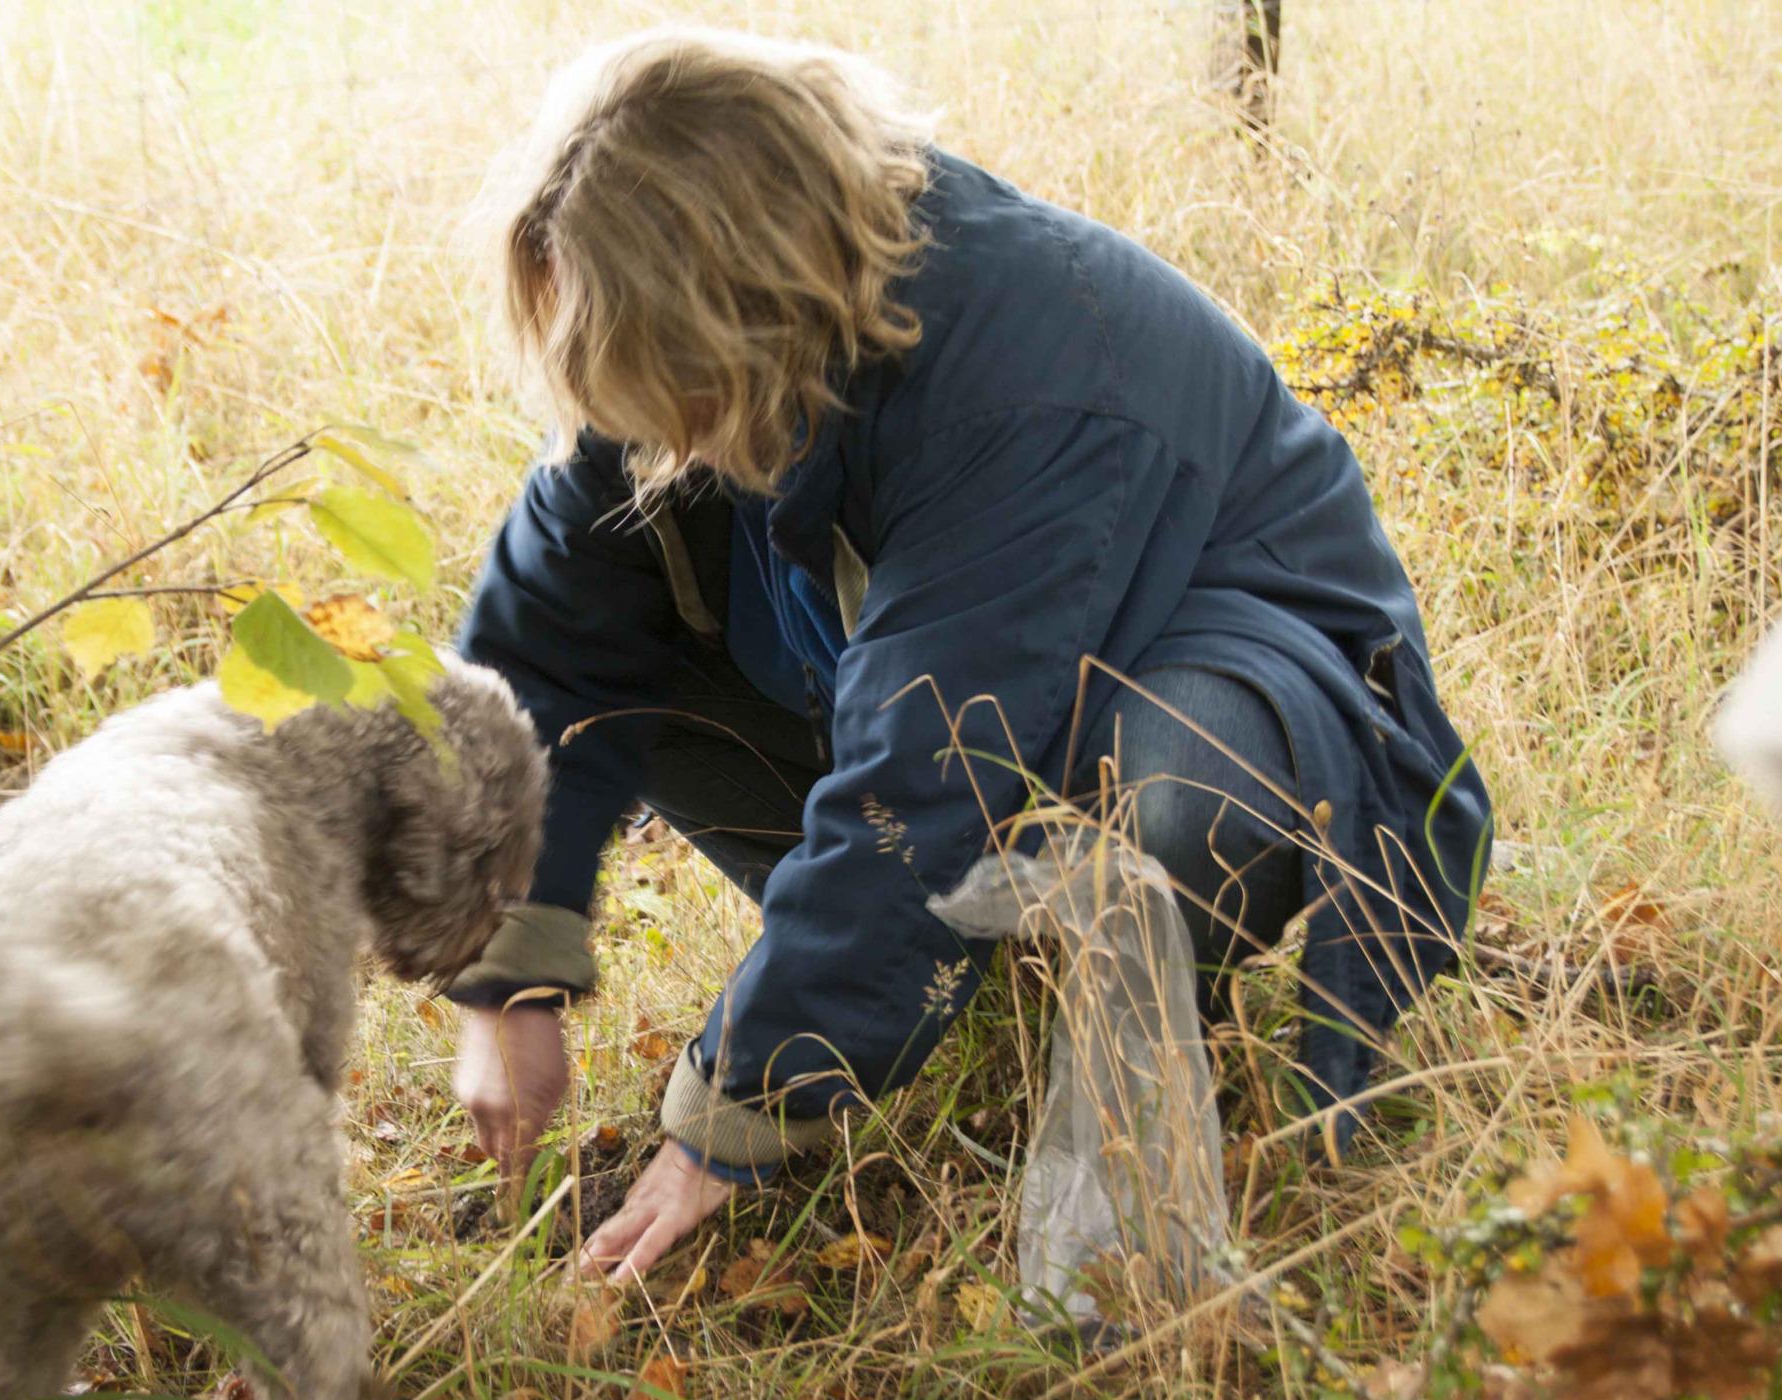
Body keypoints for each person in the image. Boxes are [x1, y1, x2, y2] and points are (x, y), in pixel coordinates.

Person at [444, 28, 1493, 1283]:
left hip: (1229, 660)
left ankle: (1131, 1010)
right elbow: (531, 665)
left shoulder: (1023, 370)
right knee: (630, 664)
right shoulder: (697, 333)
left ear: (748, 295)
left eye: (663, 384)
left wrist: (718, 1130)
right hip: (970, 689)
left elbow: (920, 773)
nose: (647, 423)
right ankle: (955, 958)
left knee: (1178, 797)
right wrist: (506, 983)